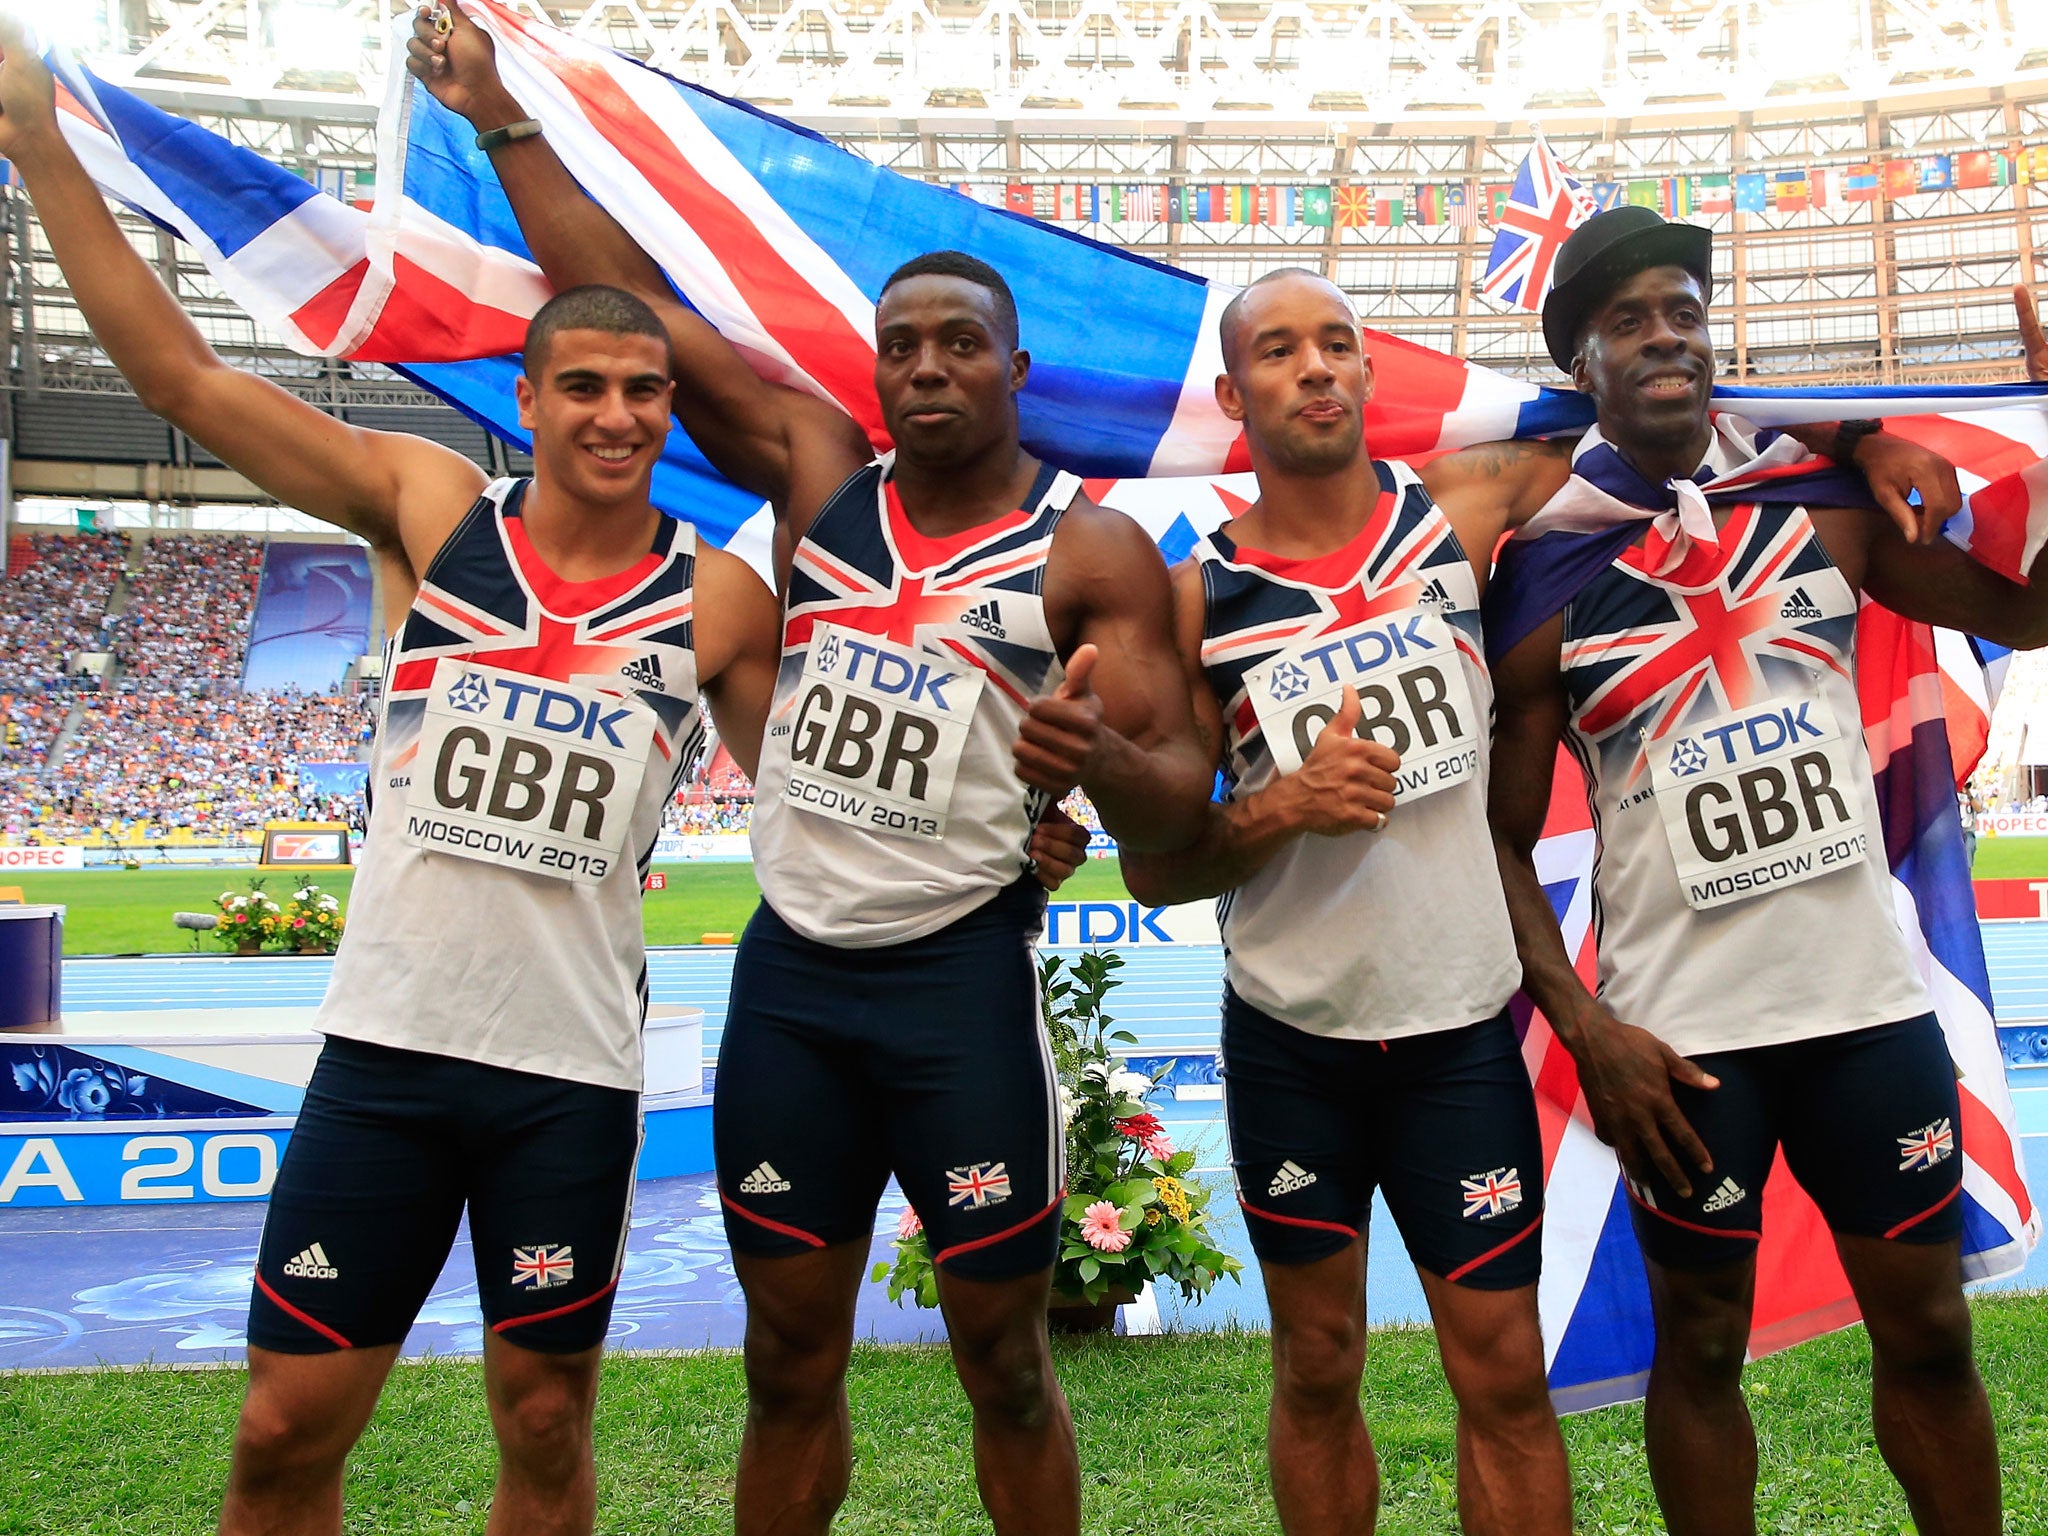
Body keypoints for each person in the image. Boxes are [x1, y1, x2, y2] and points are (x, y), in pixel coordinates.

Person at [408, 11, 1212, 1535]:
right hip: (792, 987)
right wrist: (503, 120)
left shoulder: (1084, 549)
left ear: (1014, 368)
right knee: (788, 1366)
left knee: (1007, 1368)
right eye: (899, 346)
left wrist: (1093, 755)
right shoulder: (819, 474)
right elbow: (633, 311)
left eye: (957, 344)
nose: (923, 369)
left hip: (957, 987)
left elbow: (1178, 805)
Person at [0, 24, 787, 1536]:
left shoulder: (717, 603)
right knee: (286, 1432)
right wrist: (40, 148)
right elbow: (177, 371)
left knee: (548, 1426)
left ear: (669, 408)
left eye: (644, 388)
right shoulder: (435, 512)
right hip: (388, 1058)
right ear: (533, 397)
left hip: (570, 1079)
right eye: (584, 386)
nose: (618, 414)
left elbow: (814, 797)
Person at [1114, 263, 1962, 1535]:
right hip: (1292, 1031)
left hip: (1458, 1028)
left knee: (1502, 1378)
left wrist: (1868, 426)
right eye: (1280, 352)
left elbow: (1664, 413)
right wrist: (1278, 806)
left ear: (1365, 372)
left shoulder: (1459, 508)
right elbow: (1158, 870)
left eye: (1336, 344)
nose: (1315, 368)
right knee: (1316, 1367)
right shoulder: (1199, 604)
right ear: (1233, 395)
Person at [1485, 206, 2048, 1536]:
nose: (1669, 336)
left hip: (1866, 1010)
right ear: (1582, 365)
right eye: (1631, 321)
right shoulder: (1549, 579)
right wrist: (1590, 1028)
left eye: (1684, 310)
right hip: (1684, 1047)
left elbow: (2024, 611)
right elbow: (1492, 845)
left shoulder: (1823, 508)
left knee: (1927, 1332)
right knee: (1699, 1346)